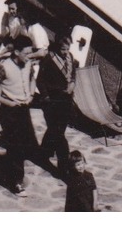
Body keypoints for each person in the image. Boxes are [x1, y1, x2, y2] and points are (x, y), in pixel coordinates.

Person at [0, 42, 40, 196]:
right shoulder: (3, 67)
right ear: (17, 52)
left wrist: (31, 94)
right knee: (16, 146)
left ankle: (9, 168)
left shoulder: (28, 64)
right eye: (26, 53)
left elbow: (32, 79)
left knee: (25, 145)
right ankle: (16, 183)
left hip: (23, 110)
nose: (29, 56)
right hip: (9, 111)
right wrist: (9, 102)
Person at [36, 26, 79, 172]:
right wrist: (46, 98)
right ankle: (64, 166)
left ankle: (43, 152)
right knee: (59, 134)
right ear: (57, 46)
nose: (66, 52)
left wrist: (72, 83)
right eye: (63, 49)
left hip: (65, 101)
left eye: (67, 49)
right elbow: (40, 80)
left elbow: (73, 74)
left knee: (56, 130)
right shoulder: (49, 59)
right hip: (52, 101)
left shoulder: (70, 57)